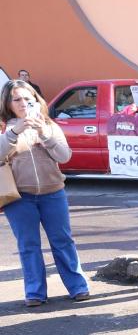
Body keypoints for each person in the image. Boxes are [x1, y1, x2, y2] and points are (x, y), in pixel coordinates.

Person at [0, 80, 89, 306]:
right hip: (19, 197)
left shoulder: (49, 125)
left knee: (63, 241)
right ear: (8, 103)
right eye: (17, 99)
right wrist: (15, 131)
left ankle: (78, 287)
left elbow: (64, 156)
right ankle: (35, 293)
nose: (23, 103)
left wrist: (45, 134)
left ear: (36, 101)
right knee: (28, 245)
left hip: (53, 193)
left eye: (28, 99)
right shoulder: (4, 128)